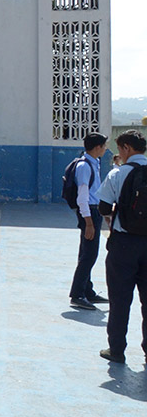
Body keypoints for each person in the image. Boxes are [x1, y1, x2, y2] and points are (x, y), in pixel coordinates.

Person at [95, 129, 147, 364]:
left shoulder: (118, 174)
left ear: (127, 148)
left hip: (124, 245)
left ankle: (116, 349)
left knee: (120, 299)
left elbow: (104, 207)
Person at [68, 133, 109, 311]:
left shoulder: (94, 163)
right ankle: (77, 295)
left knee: (86, 252)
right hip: (89, 213)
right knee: (89, 255)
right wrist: (89, 222)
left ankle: (88, 290)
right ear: (97, 147)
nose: (106, 148)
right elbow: (82, 197)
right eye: (104, 145)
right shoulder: (84, 166)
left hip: (94, 210)